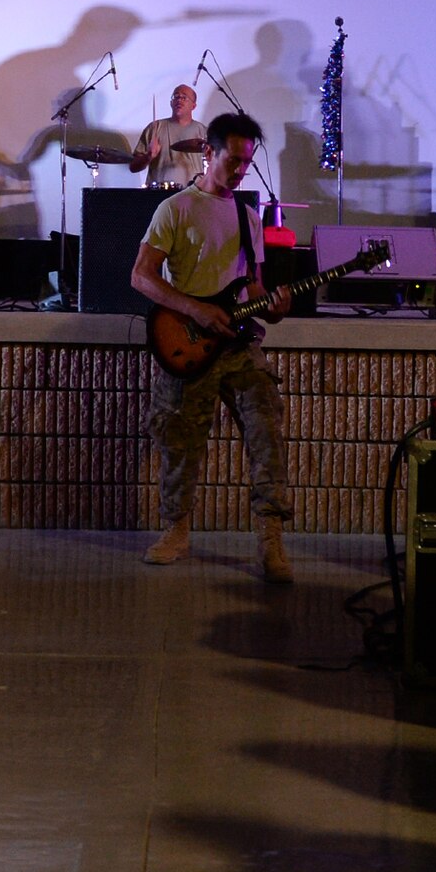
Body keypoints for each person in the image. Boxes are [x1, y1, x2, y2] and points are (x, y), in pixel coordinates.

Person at [129, 111, 296, 583]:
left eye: (247, 162)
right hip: (189, 343)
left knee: (267, 434)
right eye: (233, 159)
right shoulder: (175, 210)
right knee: (180, 442)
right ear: (209, 151)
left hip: (240, 345)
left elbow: (254, 288)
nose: (241, 170)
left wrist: (275, 307)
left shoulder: (247, 216)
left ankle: (271, 541)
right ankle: (176, 531)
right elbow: (140, 277)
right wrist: (196, 310)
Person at [127, 84, 209, 187]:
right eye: (176, 96)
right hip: (159, 193)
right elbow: (133, 167)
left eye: (184, 97)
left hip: (192, 194)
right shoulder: (154, 128)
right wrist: (148, 156)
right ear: (171, 103)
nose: (179, 100)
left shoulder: (203, 131)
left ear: (193, 106)